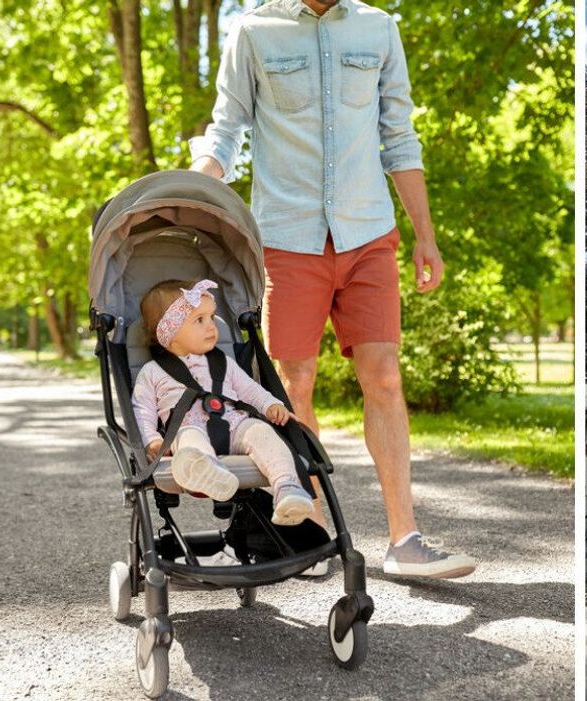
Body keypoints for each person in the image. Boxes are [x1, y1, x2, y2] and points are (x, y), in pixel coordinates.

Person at [188, 0, 475, 578]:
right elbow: (226, 129)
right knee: (295, 384)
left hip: (368, 233)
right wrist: (193, 188)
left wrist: (426, 236)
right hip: (288, 241)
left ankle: (405, 538)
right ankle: (310, 528)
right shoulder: (252, 31)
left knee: (386, 376)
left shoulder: (379, 28)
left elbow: (399, 134)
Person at [132, 279, 316, 526]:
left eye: (212, 317)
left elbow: (250, 390)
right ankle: (208, 472)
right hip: (187, 427)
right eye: (200, 320)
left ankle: (288, 487)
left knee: (262, 432)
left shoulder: (223, 363)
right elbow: (142, 410)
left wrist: (270, 405)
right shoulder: (152, 372)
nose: (212, 326)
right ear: (170, 331)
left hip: (234, 425)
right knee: (189, 441)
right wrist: (152, 440)